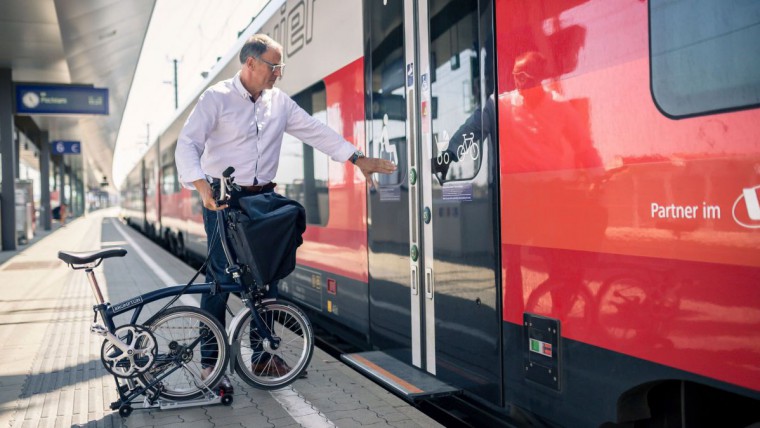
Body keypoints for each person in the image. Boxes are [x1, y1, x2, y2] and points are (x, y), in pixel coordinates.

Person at [175, 34, 396, 385]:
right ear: (251, 64)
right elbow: (187, 144)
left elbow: (314, 131)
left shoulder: (278, 102)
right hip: (222, 200)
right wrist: (201, 186)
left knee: (268, 274)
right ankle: (209, 362)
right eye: (274, 66)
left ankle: (262, 357)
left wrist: (356, 158)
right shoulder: (216, 98)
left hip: (263, 199)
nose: (279, 73)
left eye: (281, 67)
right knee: (219, 280)